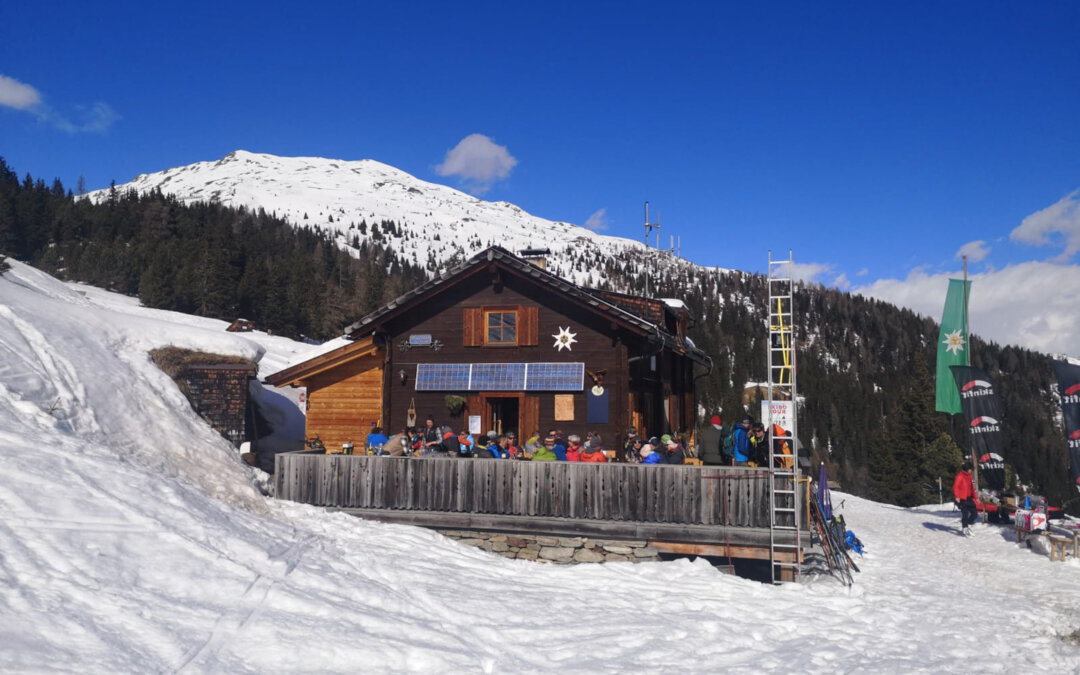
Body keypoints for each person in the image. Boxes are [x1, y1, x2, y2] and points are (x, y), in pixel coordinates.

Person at [953, 460, 978, 536]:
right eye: (971, 469)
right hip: (962, 498)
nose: (972, 471)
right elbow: (955, 487)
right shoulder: (960, 476)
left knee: (974, 513)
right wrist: (957, 496)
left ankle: (968, 524)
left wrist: (976, 497)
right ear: (967, 469)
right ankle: (965, 527)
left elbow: (972, 488)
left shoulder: (969, 476)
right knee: (965, 513)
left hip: (969, 497)